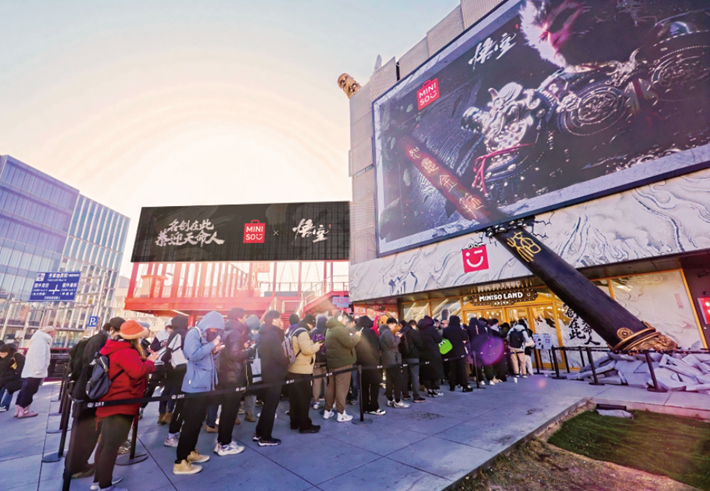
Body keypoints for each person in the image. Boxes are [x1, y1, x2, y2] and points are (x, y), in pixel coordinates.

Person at [93, 320, 158, 491]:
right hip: (122, 401)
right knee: (111, 445)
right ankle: (105, 486)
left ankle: (98, 480)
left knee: (105, 443)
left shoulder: (112, 347)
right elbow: (137, 371)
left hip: (110, 400)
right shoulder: (126, 351)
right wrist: (151, 362)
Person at [68, 317, 125, 478]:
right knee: (85, 433)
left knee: (87, 432)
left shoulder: (99, 339)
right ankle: (76, 467)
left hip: (88, 392)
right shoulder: (99, 341)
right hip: (88, 394)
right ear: (112, 329)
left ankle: (79, 464)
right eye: (119, 333)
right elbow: (94, 368)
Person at [173, 311, 224, 475]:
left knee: (196, 423)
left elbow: (203, 356)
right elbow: (193, 355)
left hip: (203, 387)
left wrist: (214, 351)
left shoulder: (203, 335)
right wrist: (212, 345)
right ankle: (180, 461)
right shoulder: (194, 333)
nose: (215, 331)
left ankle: (190, 452)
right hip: (195, 387)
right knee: (190, 424)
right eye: (215, 327)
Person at [213, 307, 251, 456]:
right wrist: (249, 351)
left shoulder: (225, 330)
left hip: (225, 375)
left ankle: (222, 442)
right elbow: (235, 355)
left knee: (226, 411)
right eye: (244, 316)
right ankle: (224, 443)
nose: (245, 319)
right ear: (239, 317)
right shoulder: (236, 333)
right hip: (233, 377)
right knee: (230, 411)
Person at [254, 310, 288, 446]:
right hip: (275, 373)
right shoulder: (273, 334)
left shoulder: (263, 332)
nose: (281, 321)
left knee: (267, 404)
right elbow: (279, 355)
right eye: (279, 319)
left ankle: (259, 432)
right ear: (274, 320)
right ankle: (265, 437)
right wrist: (286, 363)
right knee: (271, 406)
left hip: (267, 372)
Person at [287, 314, 322, 433]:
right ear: (309, 323)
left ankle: (294, 422)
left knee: (294, 399)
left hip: (293, 368)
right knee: (304, 398)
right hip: (302, 370)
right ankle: (304, 425)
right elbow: (307, 350)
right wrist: (317, 345)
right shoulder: (302, 332)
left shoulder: (294, 330)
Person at [323, 313, 361, 422]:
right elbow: (350, 343)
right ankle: (341, 413)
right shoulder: (340, 329)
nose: (346, 320)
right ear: (341, 318)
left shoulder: (330, 329)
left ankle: (327, 411)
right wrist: (357, 336)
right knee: (342, 388)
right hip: (343, 363)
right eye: (345, 318)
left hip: (333, 363)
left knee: (331, 387)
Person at [15, 326, 54, 418]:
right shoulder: (41, 342)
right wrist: (39, 370)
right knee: (30, 390)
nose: (54, 334)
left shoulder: (38, 340)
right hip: (34, 372)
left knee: (25, 390)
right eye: (53, 332)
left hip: (30, 371)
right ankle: (24, 411)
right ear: (49, 332)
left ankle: (19, 410)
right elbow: (39, 357)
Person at [163, 315, 189, 447]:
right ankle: (172, 435)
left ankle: (173, 432)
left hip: (174, 371)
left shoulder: (174, 333)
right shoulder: (181, 333)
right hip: (182, 371)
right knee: (182, 403)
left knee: (180, 401)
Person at [354, 316, 385, 416]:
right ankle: (374, 406)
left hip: (361, 363)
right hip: (371, 362)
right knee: (375, 384)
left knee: (364, 386)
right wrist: (377, 359)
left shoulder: (358, 332)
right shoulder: (370, 332)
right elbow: (375, 347)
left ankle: (365, 406)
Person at [379, 317, 409, 408]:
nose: (394, 328)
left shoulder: (382, 332)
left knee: (389, 380)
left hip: (387, 359)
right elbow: (393, 344)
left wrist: (395, 337)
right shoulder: (387, 332)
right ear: (391, 324)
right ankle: (397, 400)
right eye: (394, 326)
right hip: (393, 359)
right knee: (397, 380)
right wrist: (398, 337)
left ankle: (390, 399)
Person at [443, 316, 473, 392]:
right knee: (462, 369)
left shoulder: (446, 330)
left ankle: (452, 385)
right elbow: (466, 337)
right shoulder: (458, 329)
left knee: (452, 369)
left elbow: (443, 339)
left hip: (450, 351)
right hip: (460, 351)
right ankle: (464, 386)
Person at [417, 316, 444, 397]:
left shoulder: (419, 331)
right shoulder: (432, 329)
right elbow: (439, 339)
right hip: (433, 353)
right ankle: (435, 390)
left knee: (426, 373)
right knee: (435, 372)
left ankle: (429, 389)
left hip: (423, 354)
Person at [400, 319, 425, 403]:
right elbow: (420, 344)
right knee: (414, 376)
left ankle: (405, 394)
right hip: (413, 356)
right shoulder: (412, 332)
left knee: (404, 376)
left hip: (403, 357)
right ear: (413, 325)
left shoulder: (401, 331)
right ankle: (416, 396)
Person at [310, 315, 328, 409]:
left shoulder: (313, 332)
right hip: (326, 361)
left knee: (316, 383)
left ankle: (316, 402)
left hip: (315, 361)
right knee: (327, 382)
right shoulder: (328, 331)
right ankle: (327, 402)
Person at [0, 343, 24, 412]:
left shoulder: (15, 355)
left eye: (3, 354)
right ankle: (4, 405)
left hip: (13, 377)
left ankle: (4, 406)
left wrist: (16, 372)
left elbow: (21, 364)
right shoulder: (3, 357)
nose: (2, 355)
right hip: (4, 377)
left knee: (9, 391)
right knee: (2, 390)